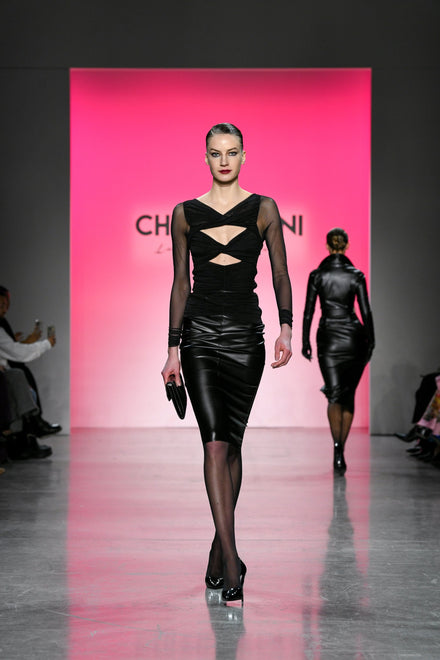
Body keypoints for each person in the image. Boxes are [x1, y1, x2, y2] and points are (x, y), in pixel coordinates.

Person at [161, 123, 292, 603]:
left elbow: (280, 271)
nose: (223, 160)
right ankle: (234, 564)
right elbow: (181, 283)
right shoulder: (184, 213)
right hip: (198, 338)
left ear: (243, 156)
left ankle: (219, 552)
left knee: (232, 444)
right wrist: (172, 349)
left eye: (231, 152)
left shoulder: (264, 208)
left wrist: (286, 327)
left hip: (245, 339)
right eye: (215, 153)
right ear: (205, 157)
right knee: (215, 443)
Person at [301, 228, 374, 475]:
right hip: (354, 339)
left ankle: (337, 448)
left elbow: (309, 311)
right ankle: (341, 447)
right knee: (348, 395)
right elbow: (365, 311)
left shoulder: (317, 275)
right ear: (347, 245)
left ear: (327, 246)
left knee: (334, 395)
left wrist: (305, 340)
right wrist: (372, 340)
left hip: (329, 339)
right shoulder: (356, 275)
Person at [0, 285, 61, 435]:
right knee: (19, 374)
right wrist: (46, 344)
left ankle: (30, 427)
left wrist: (27, 342)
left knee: (19, 374)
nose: (5, 310)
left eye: (7, 305)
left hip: (7, 369)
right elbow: (15, 352)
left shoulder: (2, 323)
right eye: (1, 305)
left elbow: (10, 349)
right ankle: (32, 424)